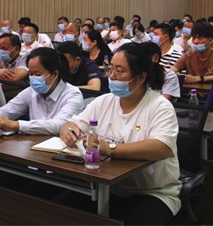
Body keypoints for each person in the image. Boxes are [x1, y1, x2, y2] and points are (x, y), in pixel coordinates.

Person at [59, 43, 181, 225]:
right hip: (106, 186)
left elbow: (161, 148)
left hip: (152, 192)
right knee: (57, 211)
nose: (112, 76)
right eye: (110, 69)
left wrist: (111, 149)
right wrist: (69, 131)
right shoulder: (104, 101)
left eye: (120, 71)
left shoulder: (160, 107)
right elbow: (72, 124)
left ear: (141, 77)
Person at [0, 47, 83, 134]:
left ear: (55, 74)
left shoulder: (73, 95)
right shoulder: (31, 91)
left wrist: (15, 125)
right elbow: (8, 110)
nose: (33, 78)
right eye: (30, 74)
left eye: (38, 74)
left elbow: (57, 126)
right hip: (32, 143)